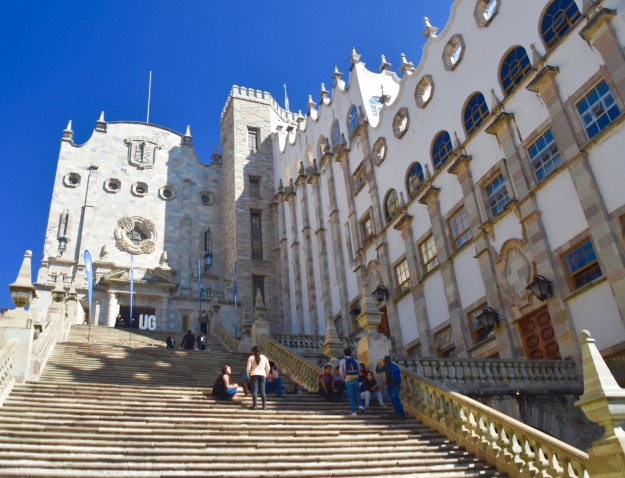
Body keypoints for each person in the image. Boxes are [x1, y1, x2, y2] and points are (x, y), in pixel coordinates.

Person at [340, 348, 366, 416]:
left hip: (348, 379)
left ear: (344, 354)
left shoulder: (343, 361)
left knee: (350, 396)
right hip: (356, 378)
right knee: (357, 392)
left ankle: (354, 411)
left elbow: (341, 372)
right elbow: (358, 370)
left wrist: (344, 378)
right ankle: (360, 405)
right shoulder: (355, 360)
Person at [246, 346, 270, 410]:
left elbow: (248, 368)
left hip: (254, 375)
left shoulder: (251, 357)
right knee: (263, 391)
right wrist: (265, 374)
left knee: (255, 391)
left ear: (253, 351)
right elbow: (268, 368)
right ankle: (264, 406)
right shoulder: (264, 358)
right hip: (262, 375)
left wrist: (248, 375)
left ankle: (255, 405)